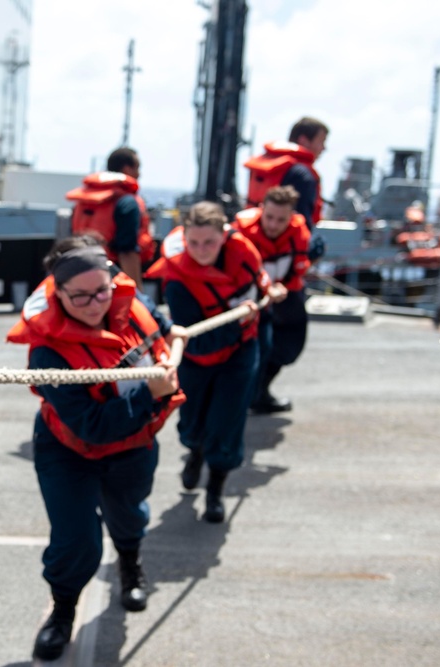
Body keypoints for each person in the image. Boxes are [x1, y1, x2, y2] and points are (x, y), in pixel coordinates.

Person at [6, 236, 183, 661]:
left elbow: (157, 318)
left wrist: (170, 330)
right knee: (75, 540)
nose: (94, 303)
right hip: (68, 450)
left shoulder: (130, 301)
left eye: (102, 291)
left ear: (113, 281)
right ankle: (62, 610)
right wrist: (151, 393)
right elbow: (93, 426)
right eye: (80, 295)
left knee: (130, 515)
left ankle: (130, 563)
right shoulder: (47, 351)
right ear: (58, 292)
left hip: (134, 446)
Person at [144, 201, 272, 523]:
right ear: (184, 239)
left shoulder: (243, 253)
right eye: (194, 243)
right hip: (199, 357)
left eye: (210, 242)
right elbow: (198, 342)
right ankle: (195, 451)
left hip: (241, 353)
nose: (202, 250)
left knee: (228, 420)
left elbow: (258, 281)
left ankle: (216, 487)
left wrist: (268, 292)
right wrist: (240, 322)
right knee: (193, 420)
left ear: (224, 236)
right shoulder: (176, 280)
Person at [233, 186, 308, 413]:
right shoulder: (242, 232)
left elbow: (297, 272)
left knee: (289, 346)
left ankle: (260, 391)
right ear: (261, 209)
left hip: (283, 294)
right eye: (270, 217)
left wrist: (282, 289)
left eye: (281, 220)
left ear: (291, 217)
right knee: (249, 351)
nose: (273, 225)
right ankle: (241, 400)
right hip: (246, 300)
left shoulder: (299, 234)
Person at [66, 146, 155, 291]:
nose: (139, 173)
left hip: (80, 274)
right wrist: (137, 292)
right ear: (127, 169)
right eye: (137, 168)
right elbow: (127, 252)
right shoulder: (127, 203)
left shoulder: (83, 201)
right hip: (111, 277)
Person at [244, 116, 329, 259]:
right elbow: (303, 221)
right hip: (283, 247)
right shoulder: (302, 174)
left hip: (253, 238)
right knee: (319, 243)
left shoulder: (266, 165)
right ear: (303, 140)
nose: (324, 148)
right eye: (321, 141)